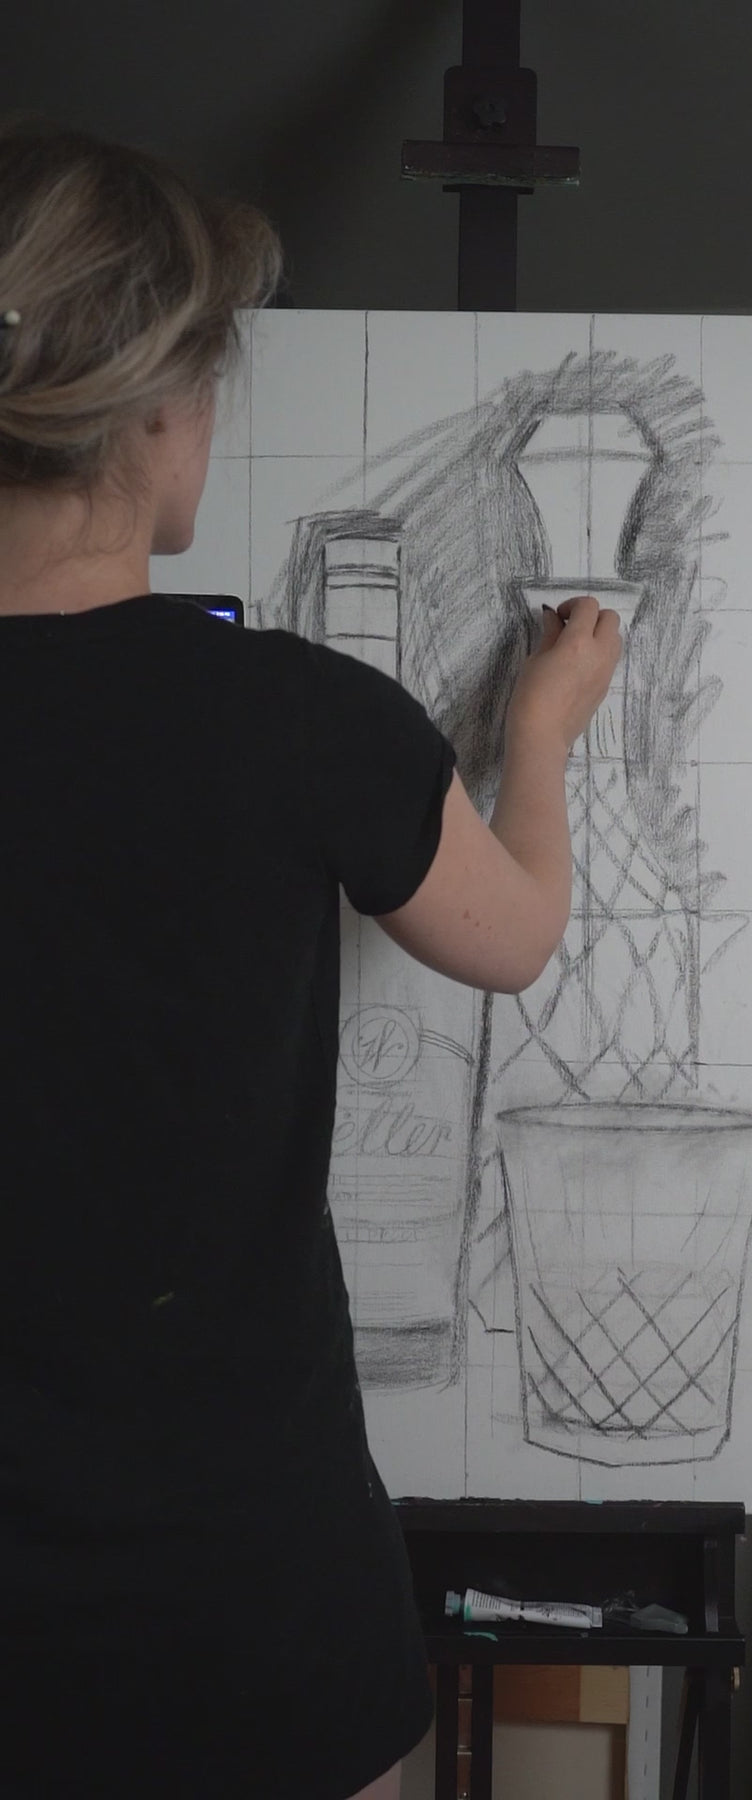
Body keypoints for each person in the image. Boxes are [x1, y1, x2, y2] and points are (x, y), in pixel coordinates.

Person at [0, 119, 621, 1800]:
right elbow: (516, 939)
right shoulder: (297, 718)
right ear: (155, 408)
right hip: (245, 1601)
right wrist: (539, 734)